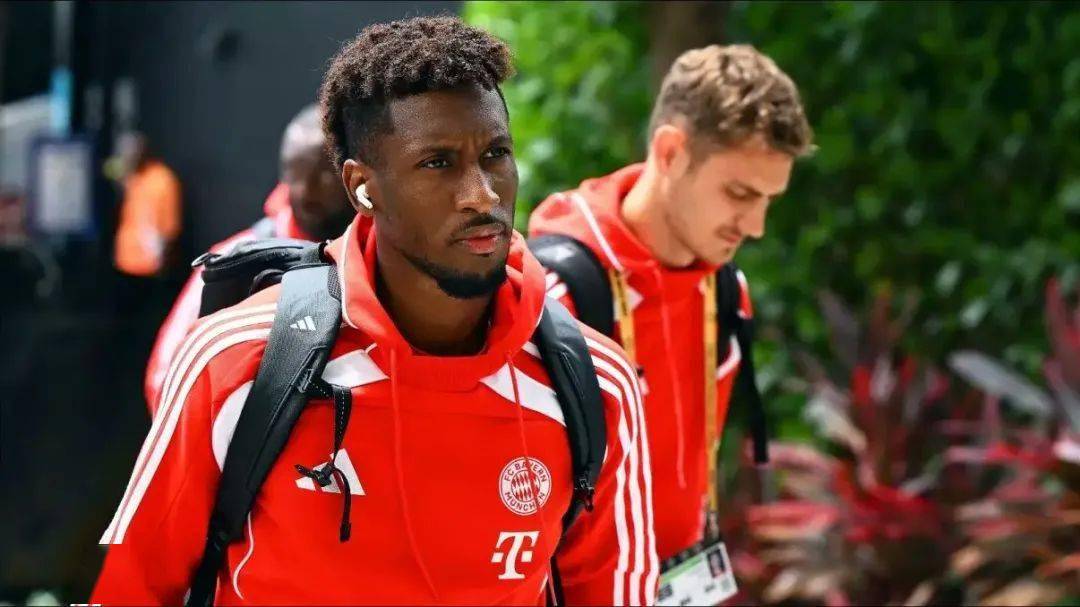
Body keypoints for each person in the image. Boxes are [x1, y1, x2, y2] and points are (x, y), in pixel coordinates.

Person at [93, 16, 657, 606]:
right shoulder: (240, 359)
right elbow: (133, 590)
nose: (483, 194)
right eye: (437, 162)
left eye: (495, 154)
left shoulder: (595, 383)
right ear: (363, 187)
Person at [529, 44, 814, 563]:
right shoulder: (556, 297)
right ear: (669, 152)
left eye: (768, 200)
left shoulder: (725, 290)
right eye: (739, 193)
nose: (756, 226)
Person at [142, 105, 353, 411]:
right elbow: (166, 378)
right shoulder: (234, 261)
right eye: (294, 172)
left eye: (322, 173)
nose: (306, 189)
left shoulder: (382, 258)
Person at [112, 131, 182, 278]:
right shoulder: (131, 177)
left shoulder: (162, 179)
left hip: (150, 264)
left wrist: (163, 260)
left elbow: (170, 228)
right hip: (125, 260)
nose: (126, 157)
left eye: (131, 152)